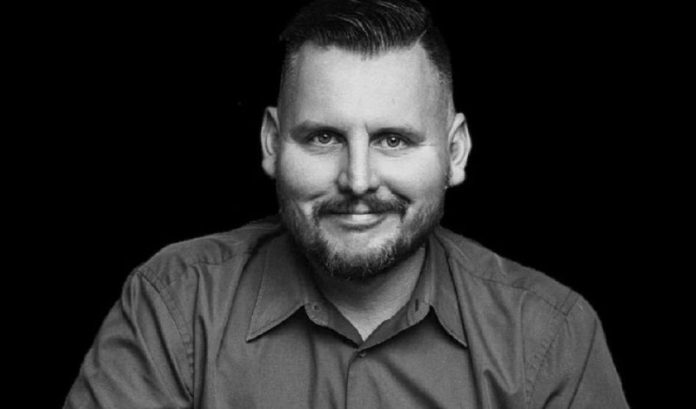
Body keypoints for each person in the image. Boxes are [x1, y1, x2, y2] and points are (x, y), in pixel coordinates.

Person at [64, 0, 629, 408]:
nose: (358, 180)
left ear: (455, 153)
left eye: (393, 140)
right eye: (324, 137)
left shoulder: (551, 336)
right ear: (272, 143)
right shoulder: (174, 305)